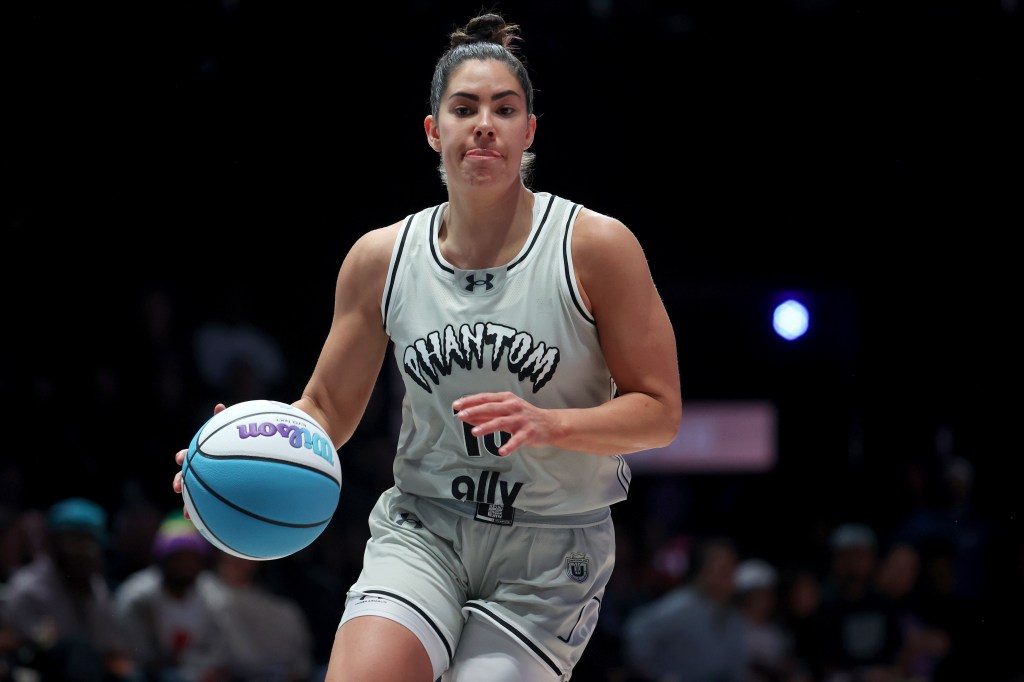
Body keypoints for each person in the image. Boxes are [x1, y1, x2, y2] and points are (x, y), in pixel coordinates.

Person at [171, 9, 681, 682]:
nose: (484, 124)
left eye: (504, 109)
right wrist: (244, 446)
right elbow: (324, 406)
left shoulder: (595, 247)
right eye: (464, 108)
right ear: (433, 131)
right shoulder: (381, 258)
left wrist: (550, 422)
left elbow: (660, 410)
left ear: (528, 132)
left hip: (551, 549)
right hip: (425, 528)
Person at [1, 497, 139, 681]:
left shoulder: (96, 587)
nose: (82, 552)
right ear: (53, 543)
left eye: (89, 542)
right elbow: (20, 646)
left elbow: (108, 647)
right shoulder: (29, 587)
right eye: (74, 541)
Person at [620, 536, 747, 682]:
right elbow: (636, 633)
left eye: (733, 570)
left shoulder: (733, 616)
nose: (732, 577)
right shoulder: (680, 606)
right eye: (724, 570)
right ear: (704, 572)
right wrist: (656, 674)